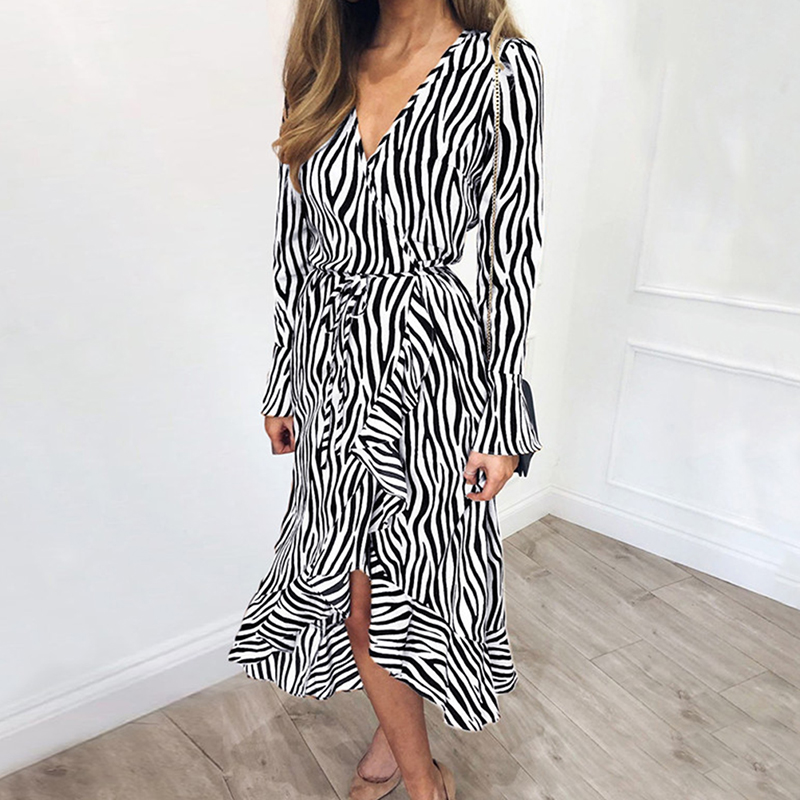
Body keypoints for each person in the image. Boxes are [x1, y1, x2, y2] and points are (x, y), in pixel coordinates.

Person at [229, 0, 544, 797]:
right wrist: (284, 374)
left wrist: (504, 417)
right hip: (332, 368)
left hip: (432, 367)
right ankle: (411, 760)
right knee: (357, 583)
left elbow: (509, 257)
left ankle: (418, 778)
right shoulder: (323, 67)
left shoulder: (501, 70)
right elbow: (296, 246)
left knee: (409, 581)